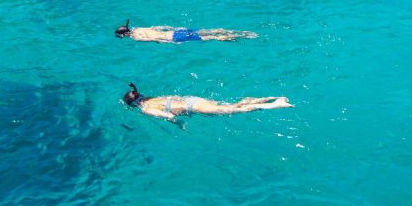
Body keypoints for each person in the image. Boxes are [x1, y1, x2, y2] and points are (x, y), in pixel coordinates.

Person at [123, 83, 292, 121]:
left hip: (194, 106)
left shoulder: (146, 108)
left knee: (237, 110)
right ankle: (271, 97)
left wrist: (179, 125)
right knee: (233, 105)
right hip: (193, 99)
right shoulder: (151, 98)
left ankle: (276, 104)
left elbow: (170, 116)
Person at [114, 19, 257, 43]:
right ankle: (241, 32)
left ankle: (227, 37)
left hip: (174, 39)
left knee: (209, 38)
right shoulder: (139, 28)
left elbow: (156, 40)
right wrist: (177, 28)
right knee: (208, 31)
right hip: (176, 31)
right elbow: (159, 28)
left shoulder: (136, 37)